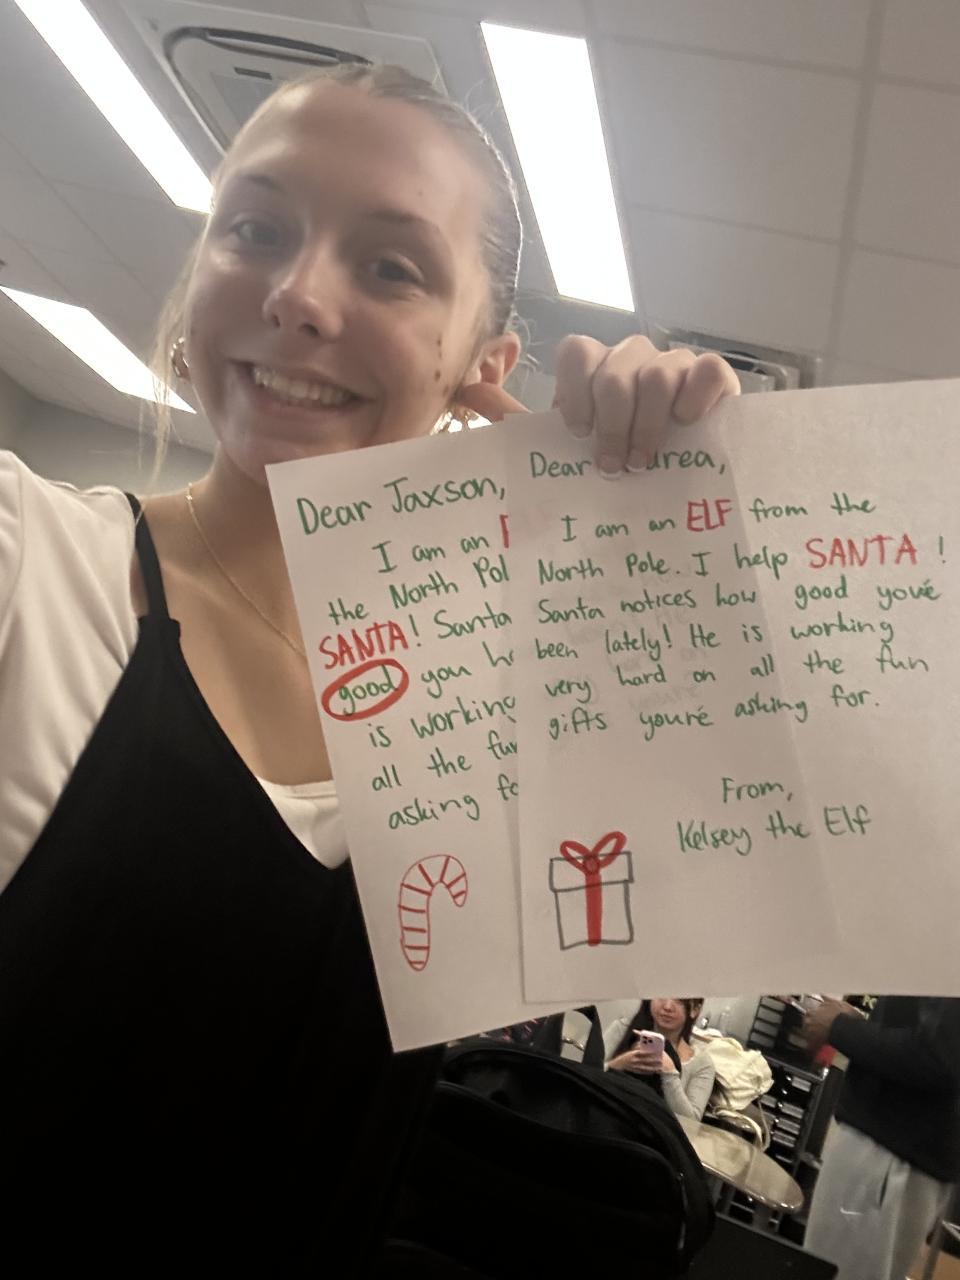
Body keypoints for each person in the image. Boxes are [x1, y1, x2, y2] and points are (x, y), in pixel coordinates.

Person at [0, 62, 740, 1271]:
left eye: (391, 266)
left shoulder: (488, 720)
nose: (297, 293)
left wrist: (671, 544)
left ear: (482, 364)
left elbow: (771, 846)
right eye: (256, 229)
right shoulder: (31, 567)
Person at [802, 995, 960, 1280]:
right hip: (894, 1151)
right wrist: (859, 1024)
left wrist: (840, 1027)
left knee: (835, 1272)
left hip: (889, 1155)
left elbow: (938, 1056)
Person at [605, 997, 716, 1121]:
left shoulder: (702, 1063)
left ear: (695, 1010)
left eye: (679, 1000)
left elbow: (692, 1122)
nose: (667, 1007)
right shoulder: (622, 1029)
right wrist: (619, 1064)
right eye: (661, 996)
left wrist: (669, 1072)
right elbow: (589, 1073)